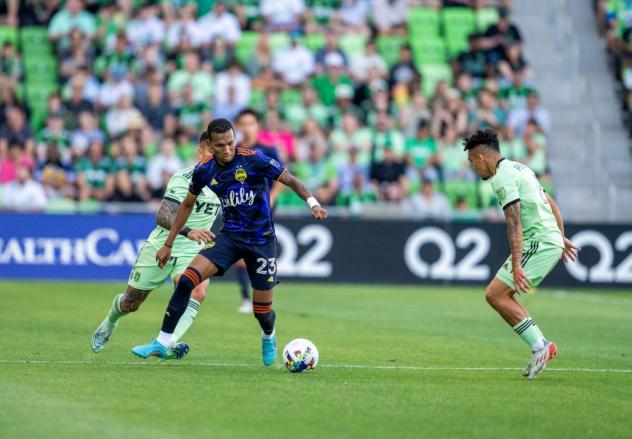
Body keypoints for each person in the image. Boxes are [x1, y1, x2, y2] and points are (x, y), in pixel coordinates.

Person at [131, 118, 327, 365]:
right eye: (221, 145)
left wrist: (314, 203)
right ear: (210, 146)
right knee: (187, 280)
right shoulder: (205, 170)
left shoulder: (254, 159)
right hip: (230, 236)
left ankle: (269, 335)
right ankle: (162, 341)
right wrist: (169, 243)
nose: (227, 149)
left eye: (231, 143)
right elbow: (186, 206)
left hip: (261, 240)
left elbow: (291, 181)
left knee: (262, 312)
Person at [462, 128, 580, 379]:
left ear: (481, 158)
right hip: (546, 240)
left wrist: (517, 264)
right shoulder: (520, 168)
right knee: (499, 294)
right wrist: (560, 236)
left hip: (537, 242)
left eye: (473, 163)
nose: (474, 168)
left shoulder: (502, 178)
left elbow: (513, 222)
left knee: (495, 294)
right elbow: (550, 203)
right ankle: (540, 346)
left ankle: (541, 346)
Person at [91, 132, 221, 357]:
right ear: (199, 151)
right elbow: (163, 215)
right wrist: (188, 232)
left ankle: (167, 344)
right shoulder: (184, 178)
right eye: (211, 150)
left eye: (219, 150)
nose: (216, 155)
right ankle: (111, 320)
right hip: (163, 245)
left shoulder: (228, 183)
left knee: (197, 289)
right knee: (131, 303)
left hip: (193, 250)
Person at [232, 108, 285, 313]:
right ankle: (247, 298)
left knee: (258, 251)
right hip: (240, 207)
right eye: (243, 123)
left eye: (251, 123)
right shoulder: (234, 152)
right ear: (238, 126)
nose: (247, 127)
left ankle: (260, 298)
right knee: (239, 253)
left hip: (263, 208)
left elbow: (283, 178)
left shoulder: (267, 151)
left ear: (257, 126)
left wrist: (272, 198)